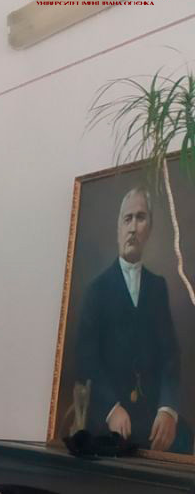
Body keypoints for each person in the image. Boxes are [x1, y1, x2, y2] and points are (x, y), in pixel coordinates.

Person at [75, 185, 187, 451]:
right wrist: (111, 408)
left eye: (140, 218)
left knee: (184, 442)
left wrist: (167, 408)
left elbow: (170, 355)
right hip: (109, 416)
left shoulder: (157, 286)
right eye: (127, 219)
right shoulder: (96, 290)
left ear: (150, 228)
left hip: (151, 415)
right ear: (118, 228)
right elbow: (85, 359)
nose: (133, 227)